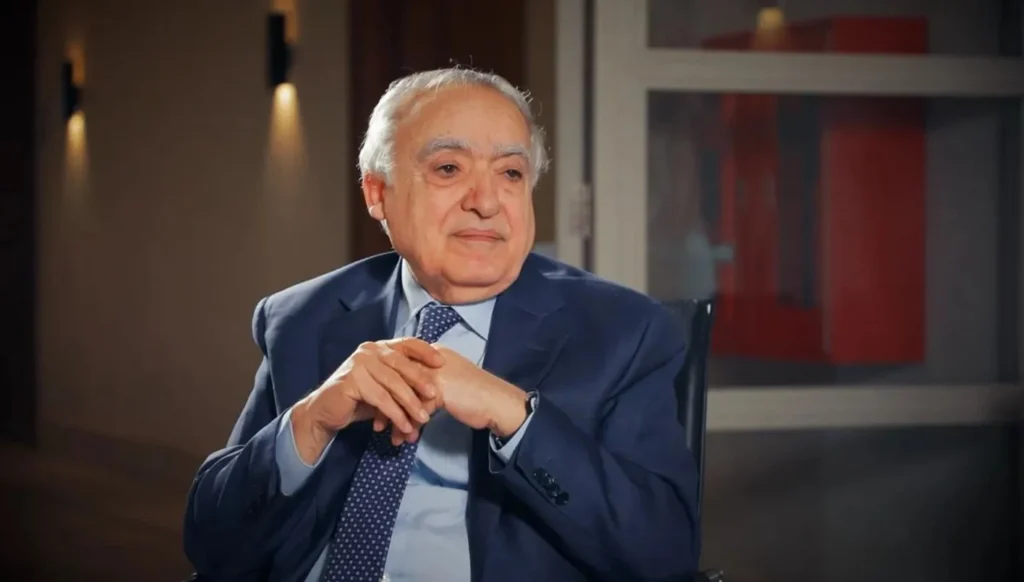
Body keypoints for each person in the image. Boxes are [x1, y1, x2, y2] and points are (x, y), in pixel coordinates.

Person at [183, 67, 700, 582]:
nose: (487, 202)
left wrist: (514, 415)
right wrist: (311, 422)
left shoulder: (624, 333)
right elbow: (212, 546)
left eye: (511, 173)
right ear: (377, 193)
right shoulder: (302, 318)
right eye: (449, 168)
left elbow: (665, 551)